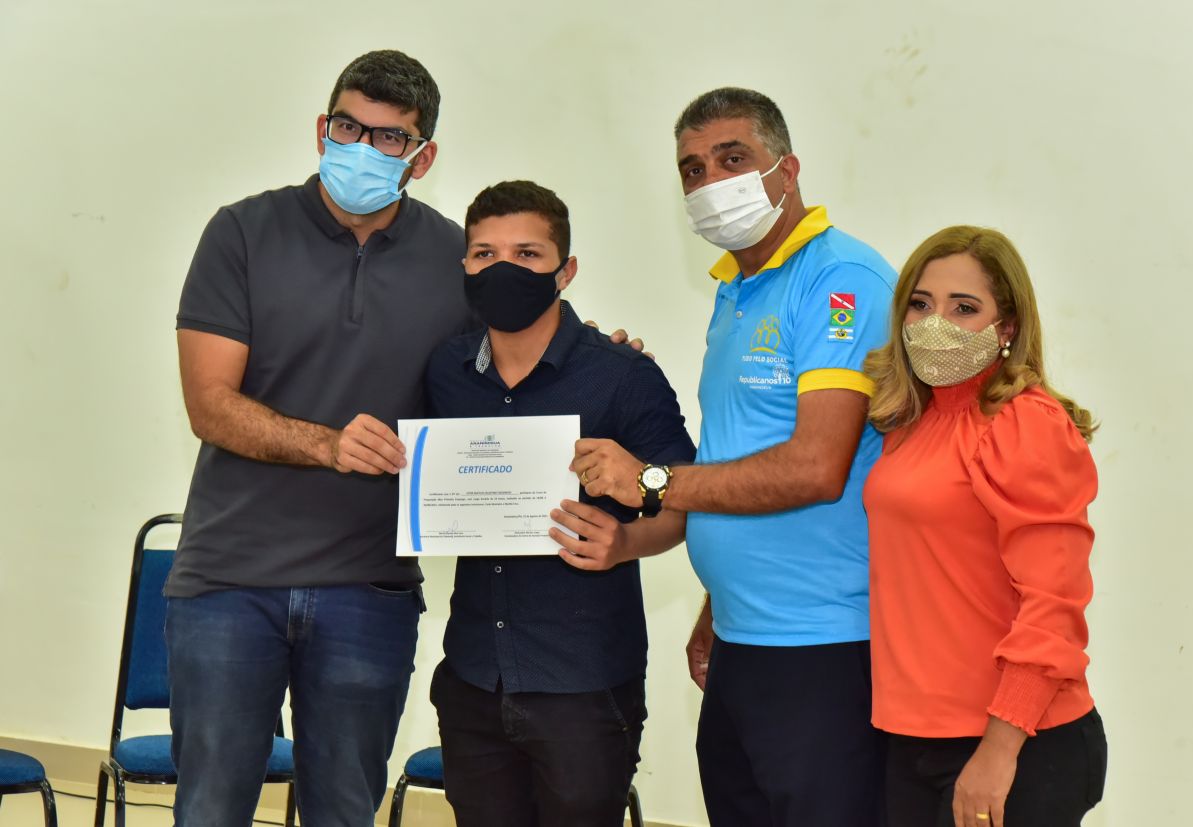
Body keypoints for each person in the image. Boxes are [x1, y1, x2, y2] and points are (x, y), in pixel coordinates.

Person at [166, 51, 640, 825]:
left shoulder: (457, 260)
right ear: (322, 129)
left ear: (422, 156)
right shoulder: (241, 232)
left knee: (345, 809)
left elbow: (521, 359)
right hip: (228, 581)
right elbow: (209, 403)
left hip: (370, 589)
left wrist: (605, 356)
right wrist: (326, 444)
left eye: (390, 137)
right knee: (211, 810)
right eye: (349, 127)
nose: (363, 148)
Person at [570, 87, 895, 826]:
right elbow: (744, 453)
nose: (710, 181)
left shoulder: (840, 280)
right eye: (692, 169)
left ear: (788, 169)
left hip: (822, 645)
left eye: (732, 158)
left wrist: (650, 479)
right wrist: (720, 600)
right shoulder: (734, 292)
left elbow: (815, 467)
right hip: (743, 641)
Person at [424, 180, 696, 827]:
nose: (504, 269)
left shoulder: (623, 375)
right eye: (485, 254)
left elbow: (685, 499)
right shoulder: (443, 371)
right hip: (473, 677)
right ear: (465, 267)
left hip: (584, 685)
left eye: (527, 254)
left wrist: (626, 542)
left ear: (565, 271)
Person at [861, 226, 1107, 827]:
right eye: (920, 304)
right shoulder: (909, 423)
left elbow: (1053, 605)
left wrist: (999, 751)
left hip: (1013, 744)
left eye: (964, 308)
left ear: (1008, 327)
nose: (934, 324)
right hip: (914, 737)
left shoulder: (1025, 423)